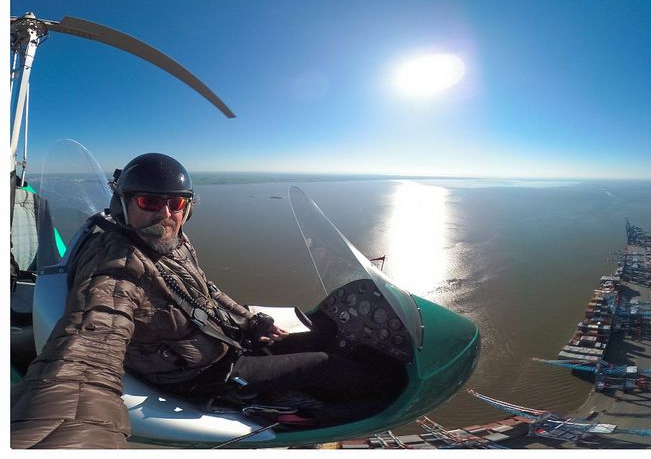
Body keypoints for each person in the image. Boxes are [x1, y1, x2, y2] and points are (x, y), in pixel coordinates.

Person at [11, 153, 403, 449]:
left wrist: (251, 323)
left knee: (317, 338)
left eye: (176, 203)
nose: (166, 213)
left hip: (216, 345)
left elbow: (205, 293)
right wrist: (66, 436)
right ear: (123, 203)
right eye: (149, 201)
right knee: (326, 364)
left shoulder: (167, 241)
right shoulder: (117, 266)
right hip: (203, 374)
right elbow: (87, 348)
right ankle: (375, 396)